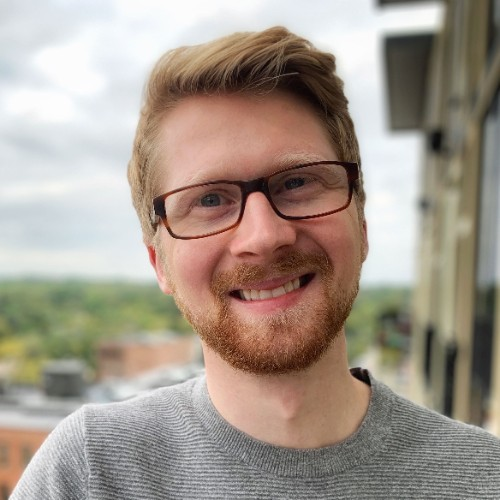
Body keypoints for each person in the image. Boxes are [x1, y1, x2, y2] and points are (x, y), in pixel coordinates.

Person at [12, 26, 500, 499]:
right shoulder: (90, 473)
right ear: (159, 263)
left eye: (297, 182)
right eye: (209, 200)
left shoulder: (483, 478)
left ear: (362, 224)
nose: (264, 237)